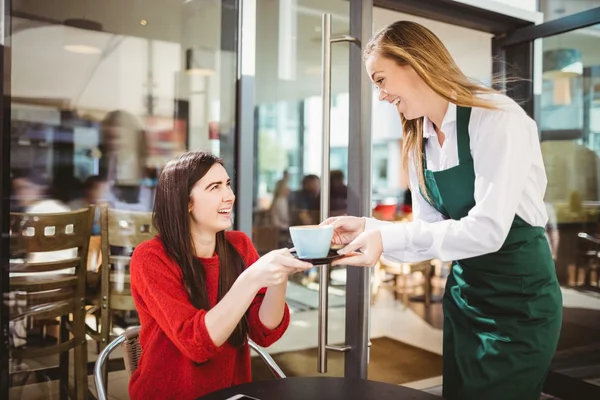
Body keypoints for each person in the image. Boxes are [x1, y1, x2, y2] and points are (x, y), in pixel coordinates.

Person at [322, 21, 562, 400]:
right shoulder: (419, 138)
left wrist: (384, 236)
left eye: (382, 80)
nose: (382, 95)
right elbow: (429, 230)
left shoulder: (496, 117)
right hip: (466, 299)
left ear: (415, 64)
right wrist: (368, 227)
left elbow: (487, 230)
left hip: (520, 304)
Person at [128, 151, 312, 400]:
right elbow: (195, 343)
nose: (230, 196)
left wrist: (279, 277)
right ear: (185, 202)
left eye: (227, 184)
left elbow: (264, 332)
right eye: (214, 187)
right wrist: (252, 278)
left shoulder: (239, 245)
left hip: (232, 394)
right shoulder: (151, 257)